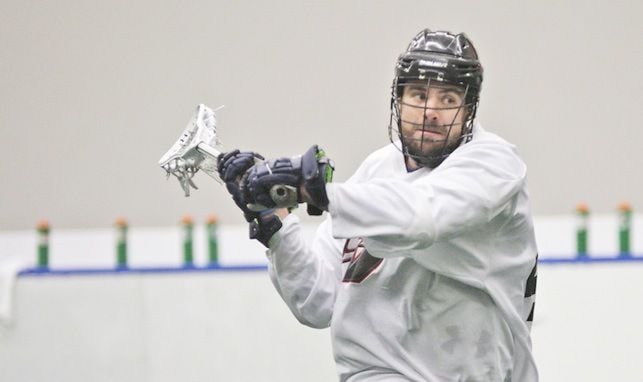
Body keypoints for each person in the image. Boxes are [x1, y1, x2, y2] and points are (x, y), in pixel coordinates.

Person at [218, 28, 538, 382]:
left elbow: (422, 217)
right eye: (418, 94)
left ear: (469, 107)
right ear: (398, 99)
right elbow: (316, 301)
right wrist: (275, 222)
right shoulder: (374, 172)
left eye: (447, 99)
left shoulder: (493, 163)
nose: (430, 111)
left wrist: (318, 194)